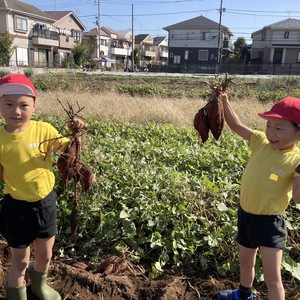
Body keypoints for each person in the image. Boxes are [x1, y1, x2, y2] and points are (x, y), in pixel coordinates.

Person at [0, 74, 87, 300]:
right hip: (15, 208)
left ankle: (39, 285)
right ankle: (15, 290)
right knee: (19, 259)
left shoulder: (44, 130)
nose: (16, 111)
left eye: (23, 105)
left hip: (45, 203)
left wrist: (75, 131)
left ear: (34, 106)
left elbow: (68, 149)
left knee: (45, 254)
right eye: (8, 104)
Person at [217, 94, 300, 300]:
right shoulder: (260, 141)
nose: (271, 133)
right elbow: (236, 125)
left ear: (298, 133)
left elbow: (298, 198)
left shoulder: (296, 160)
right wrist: (224, 101)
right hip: (246, 215)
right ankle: (244, 295)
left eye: (279, 128)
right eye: (269, 125)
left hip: (269, 223)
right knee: (246, 264)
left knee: (273, 279)